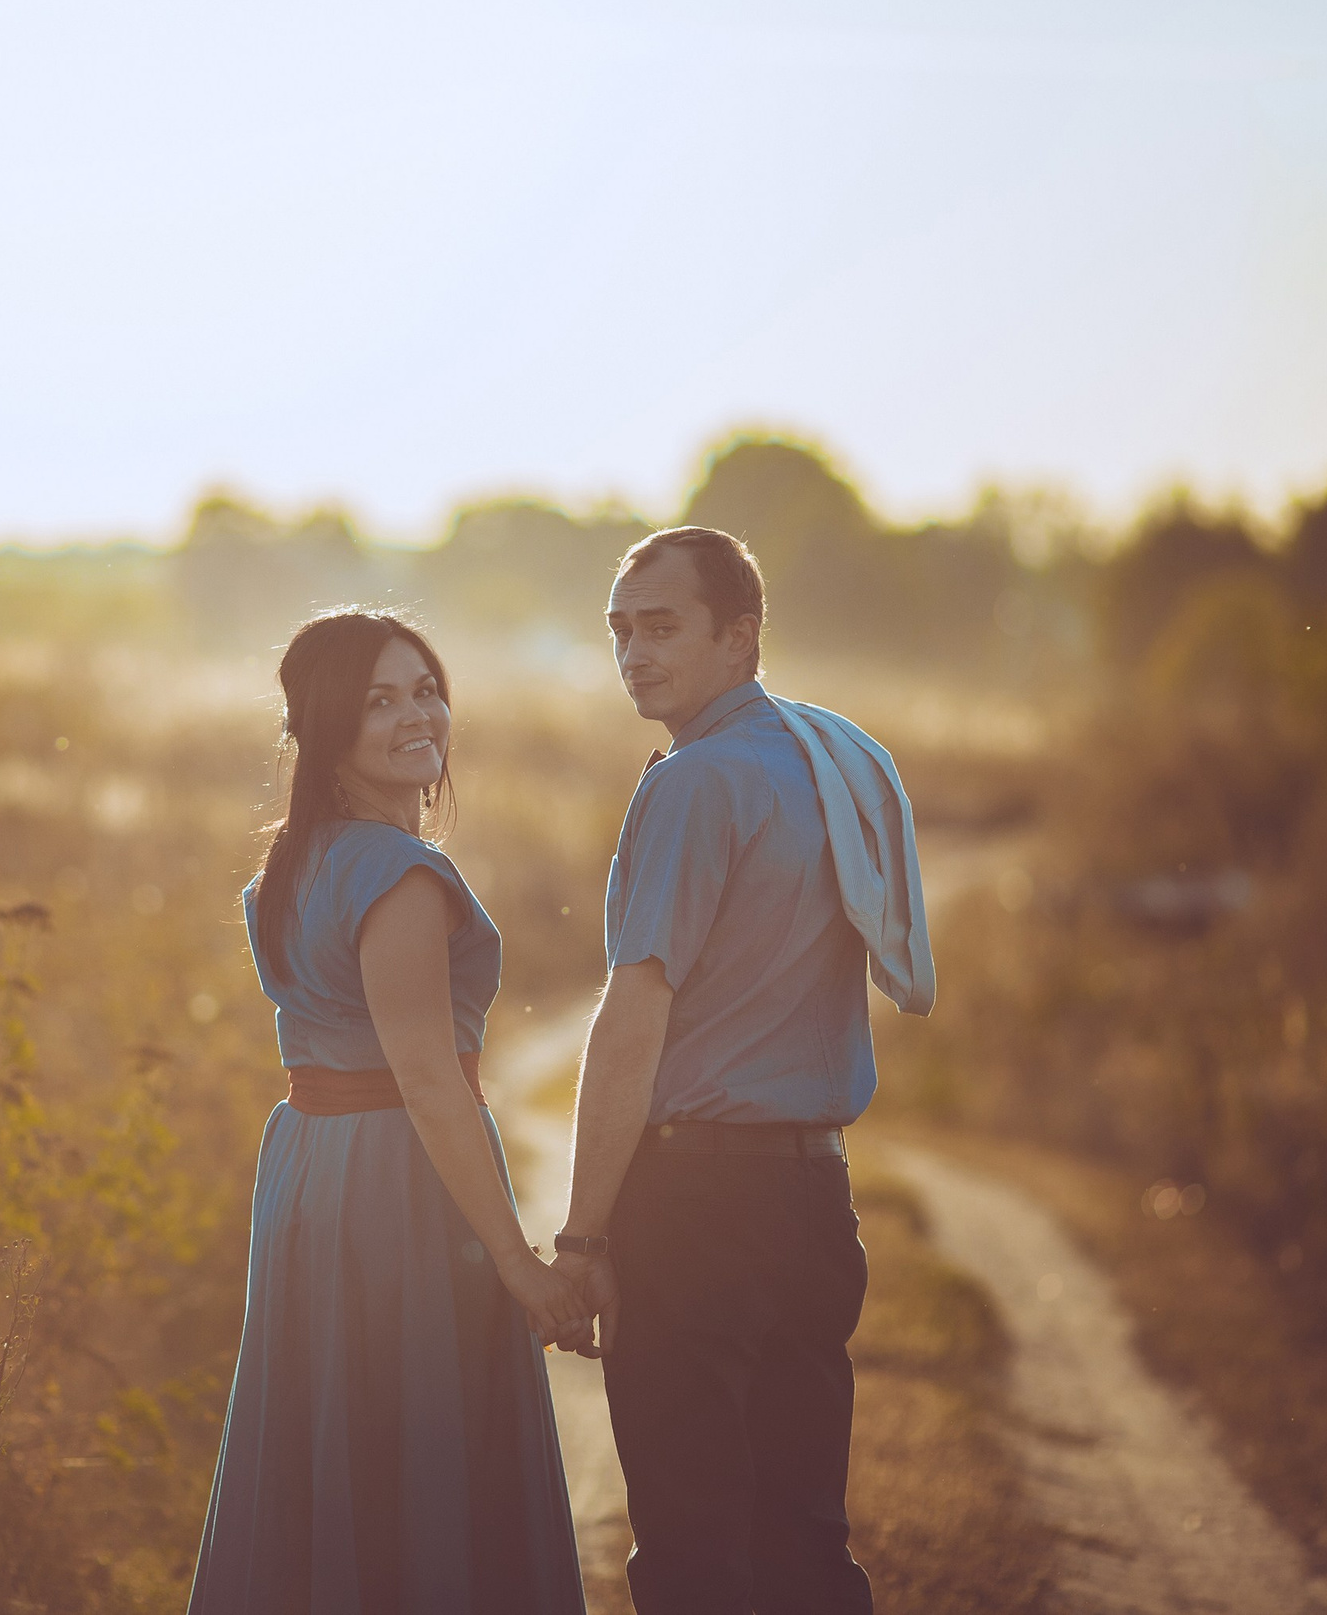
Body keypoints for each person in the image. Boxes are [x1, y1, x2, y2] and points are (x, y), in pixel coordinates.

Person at [548, 526, 935, 1615]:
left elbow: (633, 1015)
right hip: (815, 1199)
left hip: (699, 1208)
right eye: (620, 631)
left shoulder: (694, 782)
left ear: (739, 636)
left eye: (661, 628)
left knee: (692, 1551)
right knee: (803, 1542)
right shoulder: (831, 758)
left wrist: (583, 1237)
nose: (634, 653)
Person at [186, 609, 591, 1615]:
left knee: (337, 1447)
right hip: (400, 1187)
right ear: (325, 728)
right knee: (418, 1460)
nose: (417, 715)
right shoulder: (396, 873)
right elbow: (423, 1078)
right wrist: (517, 1264)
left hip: (311, 1173)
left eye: (423, 688)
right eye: (379, 700)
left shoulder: (288, 866)